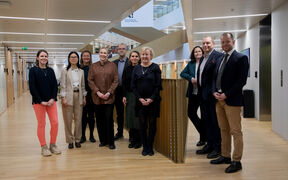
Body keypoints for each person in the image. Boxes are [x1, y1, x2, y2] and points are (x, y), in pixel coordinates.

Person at [210, 33, 249, 173]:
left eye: (227, 42)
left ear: (233, 41)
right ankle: (225, 155)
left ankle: (237, 161)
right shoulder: (220, 57)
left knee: (235, 131)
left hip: (232, 100)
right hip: (218, 100)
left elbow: (241, 81)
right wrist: (214, 91)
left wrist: (227, 94)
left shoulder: (241, 58)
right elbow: (214, 78)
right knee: (223, 129)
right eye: (223, 42)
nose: (225, 44)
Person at [29, 49, 61, 157]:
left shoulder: (50, 70)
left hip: (51, 102)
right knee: (42, 124)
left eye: (46, 56)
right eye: (42, 56)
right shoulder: (33, 70)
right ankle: (43, 147)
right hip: (39, 103)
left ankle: (53, 144)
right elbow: (32, 87)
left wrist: (53, 98)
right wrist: (40, 100)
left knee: (55, 122)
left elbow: (55, 86)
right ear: (37, 58)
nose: (44, 58)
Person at [131, 47, 162, 156]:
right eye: (143, 54)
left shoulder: (155, 67)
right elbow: (133, 86)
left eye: (147, 54)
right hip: (140, 102)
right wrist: (140, 98)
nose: (144, 56)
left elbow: (158, 86)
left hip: (153, 101)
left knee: (152, 124)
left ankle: (150, 146)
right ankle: (145, 147)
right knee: (142, 125)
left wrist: (151, 99)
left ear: (151, 56)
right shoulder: (136, 68)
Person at [196, 36, 223, 159]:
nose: (205, 45)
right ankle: (210, 144)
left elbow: (216, 76)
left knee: (214, 122)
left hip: (212, 95)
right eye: (203, 43)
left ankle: (218, 148)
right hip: (203, 95)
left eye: (208, 43)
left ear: (213, 43)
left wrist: (213, 91)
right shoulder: (203, 58)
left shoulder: (218, 56)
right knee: (206, 121)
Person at [88, 47, 118, 150]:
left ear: (108, 54)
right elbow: (90, 81)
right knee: (99, 120)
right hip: (97, 98)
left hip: (109, 98)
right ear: (99, 54)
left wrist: (109, 92)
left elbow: (116, 80)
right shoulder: (93, 66)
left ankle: (111, 142)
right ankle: (103, 140)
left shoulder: (113, 66)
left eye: (105, 53)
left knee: (109, 119)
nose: (103, 54)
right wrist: (98, 92)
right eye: (101, 52)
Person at [180, 46, 207, 147]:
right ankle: (204, 134)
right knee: (191, 113)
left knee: (205, 117)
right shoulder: (191, 64)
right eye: (195, 52)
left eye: (199, 51)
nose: (197, 53)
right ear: (193, 54)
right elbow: (182, 73)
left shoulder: (206, 62)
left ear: (202, 52)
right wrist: (191, 78)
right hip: (193, 93)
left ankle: (203, 139)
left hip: (204, 94)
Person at [61, 51, 86, 149]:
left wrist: (84, 97)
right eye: (71, 57)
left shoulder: (81, 71)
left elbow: (83, 86)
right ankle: (70, 140)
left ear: (78, 59)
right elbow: (63, 85)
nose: (73, 59)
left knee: (78, 120)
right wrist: (63, 98)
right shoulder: (65, 71)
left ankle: (77, 139)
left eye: (75, 57)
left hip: (78, 96)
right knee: (68, 120)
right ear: (69, 59)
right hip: (68, 97)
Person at [122, 51, 141, 149]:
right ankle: (132, 139)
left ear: (139, 58)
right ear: (129, 58)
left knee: (137, 119)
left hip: (139, 96)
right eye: (132, 56)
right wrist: (124, 96)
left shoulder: (142, 68)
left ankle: (138, 140)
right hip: (129, 95)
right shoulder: (127, 69)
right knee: (130, 118)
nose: (134, 58)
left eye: (136, 56)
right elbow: (124, 83)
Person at [79, 50, 96, 144]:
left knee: (91, 117)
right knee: (83, 117)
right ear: (81, 57)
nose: (86, 57)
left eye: (88, 56)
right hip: (81, 95)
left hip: (92, 95)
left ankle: (92, 135)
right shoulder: (79, 68)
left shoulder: (93, 68)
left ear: (90, 57)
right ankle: (83, 136)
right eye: (84, 56)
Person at [113, 43, 129, 140]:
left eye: (123, 49)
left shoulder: (130, 62)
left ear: (126, 50)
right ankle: (120, 132)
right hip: (117, 91)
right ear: (117, 50)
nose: (121, 50)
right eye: (120, 49)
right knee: (119, 113)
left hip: (128, 90)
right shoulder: (114, 63)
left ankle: (131, 134)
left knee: (130, 113)